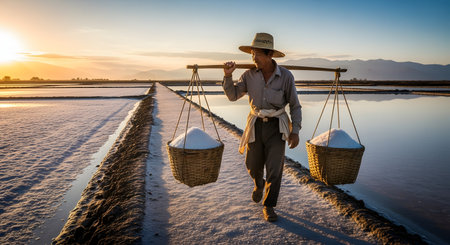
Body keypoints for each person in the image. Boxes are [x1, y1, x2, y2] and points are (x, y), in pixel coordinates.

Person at [222, 32, 302, 222]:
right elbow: (233, 96)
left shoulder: (286, 77)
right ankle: (258, 184)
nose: (253, 58)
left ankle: (269, 205)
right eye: (252, 54)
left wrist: (295, 131)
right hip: (256, 124)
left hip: (277, 126)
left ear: (269, 55)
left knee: (275, 168)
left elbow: (295, 105)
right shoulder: (248, 75)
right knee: (252, 164)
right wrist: (227, 76)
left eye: (257, 54)